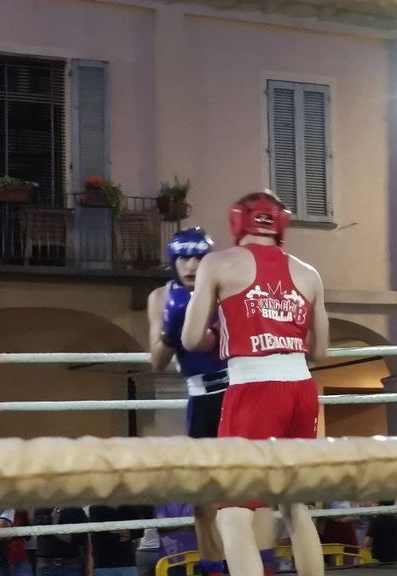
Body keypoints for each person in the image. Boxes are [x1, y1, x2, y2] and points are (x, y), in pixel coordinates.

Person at [182, 189, 329, 576]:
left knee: (232, 512)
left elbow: (190, 338)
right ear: (281, 223)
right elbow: (321, 351)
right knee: (293, 504)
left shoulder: (218, 263)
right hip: (302, 387)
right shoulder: (309, 273)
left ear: (237, 220)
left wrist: (218, 335)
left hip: (254, 387)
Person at [147, 228, 229, 576]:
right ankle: (214, 567)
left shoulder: (226, 290)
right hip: (200, 397)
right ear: (173, 261)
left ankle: (253, 564)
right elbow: (156, 361)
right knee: (201, 494)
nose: (192, 265)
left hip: (236, 390)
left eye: (199, 257)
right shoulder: (160, 297)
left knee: (244, 489)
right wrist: (172, 327)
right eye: (184, 258)